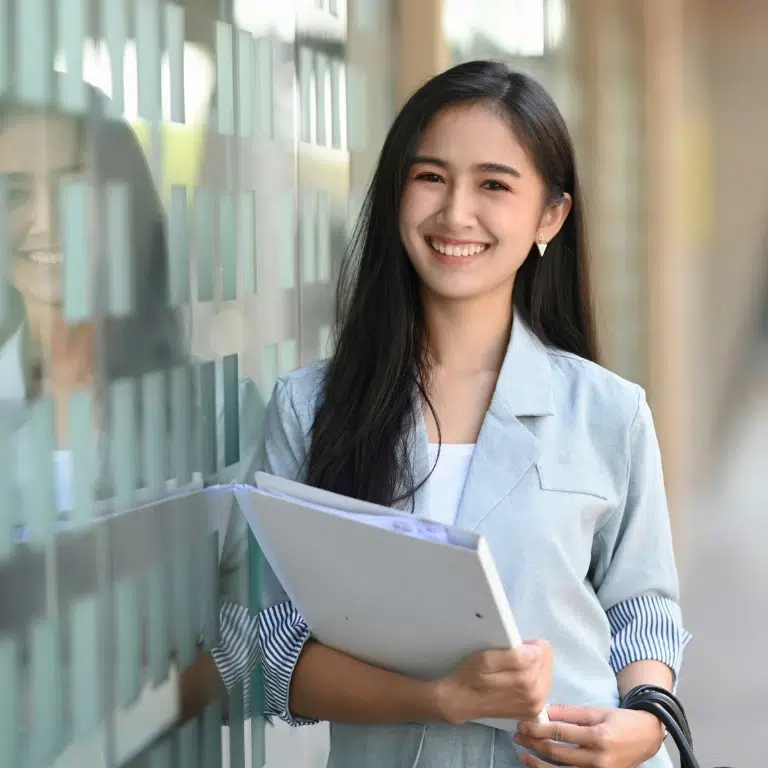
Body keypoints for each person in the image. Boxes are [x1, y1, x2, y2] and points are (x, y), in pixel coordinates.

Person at [185, 61, 692, 768]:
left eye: (493, 184)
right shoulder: (310, 408)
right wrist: (441, 698)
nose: (456, 213)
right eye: (430, 178)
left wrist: (647, 718)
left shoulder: (609, 411)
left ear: (550, 215)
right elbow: (259, 644)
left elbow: (642, 607)